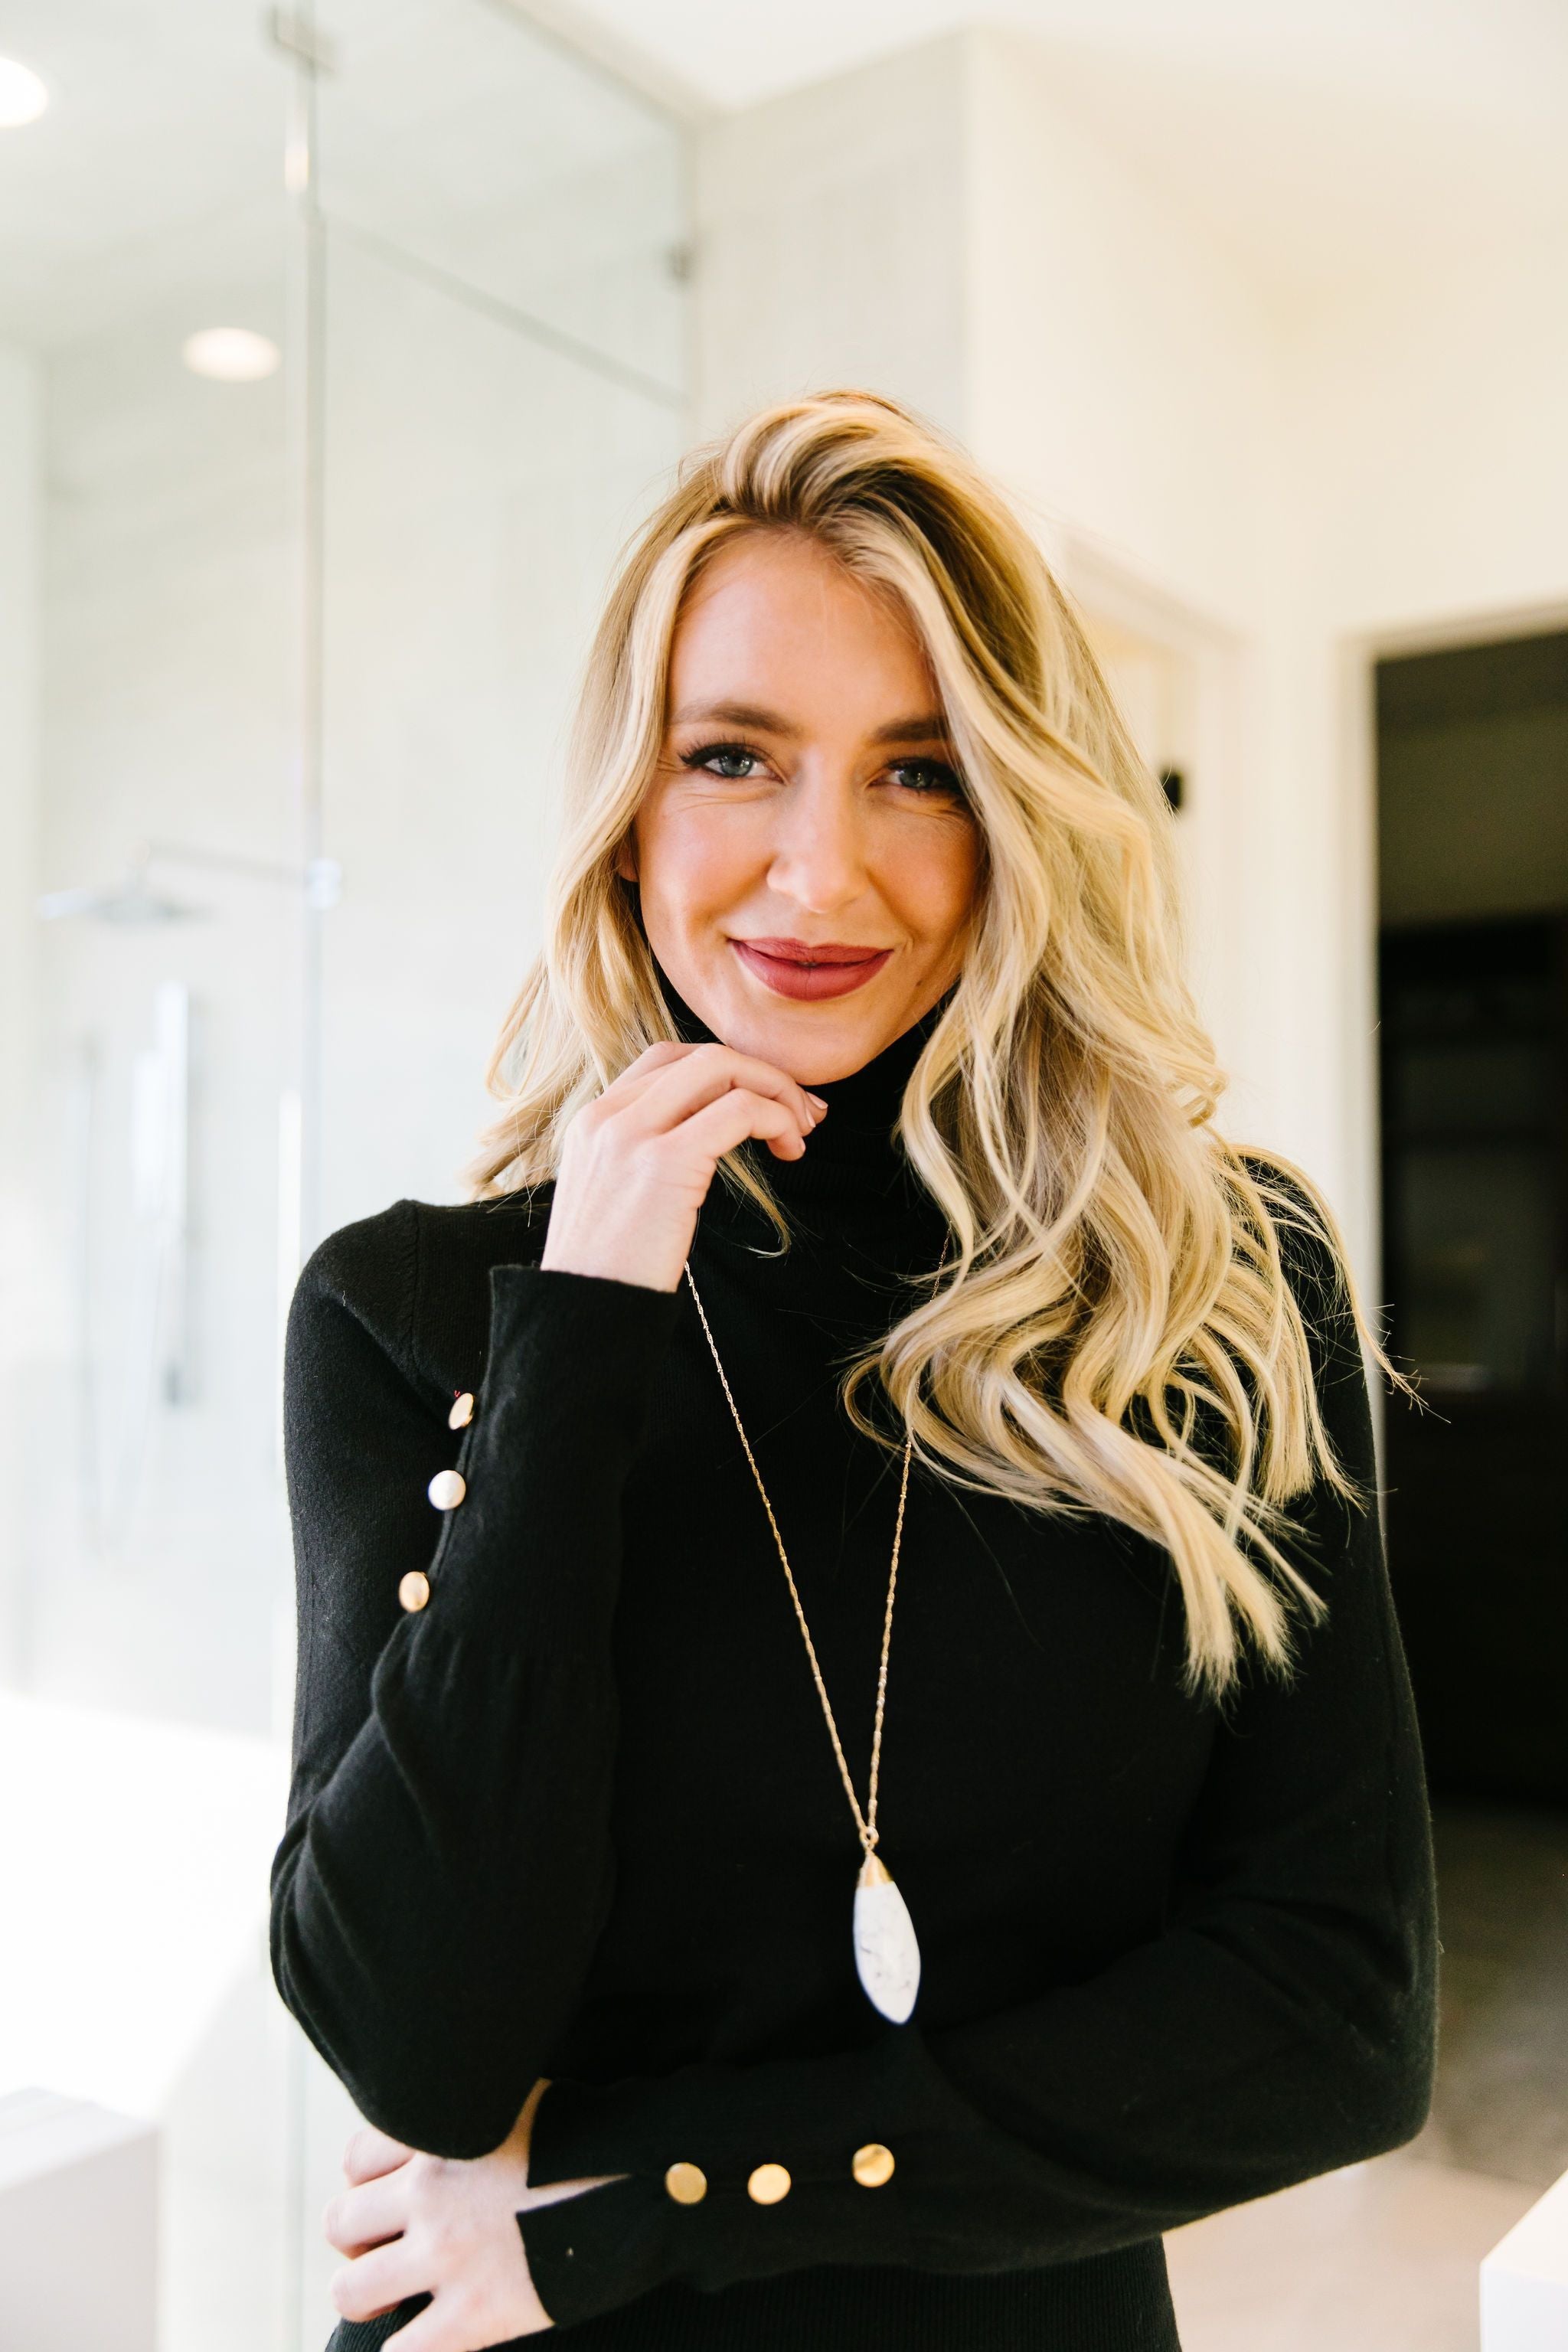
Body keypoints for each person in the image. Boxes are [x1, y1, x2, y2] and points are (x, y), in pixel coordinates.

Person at [271, 390, 1438, 2352]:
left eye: (920, 772)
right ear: (627, 804)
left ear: (1021, 816)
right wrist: (581, 1323)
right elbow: (424, 2048)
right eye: (732, 757)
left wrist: (650, 2200)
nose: (820, 878)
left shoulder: (1214, 1281)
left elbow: (1340, 2019)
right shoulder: (415, 1311)